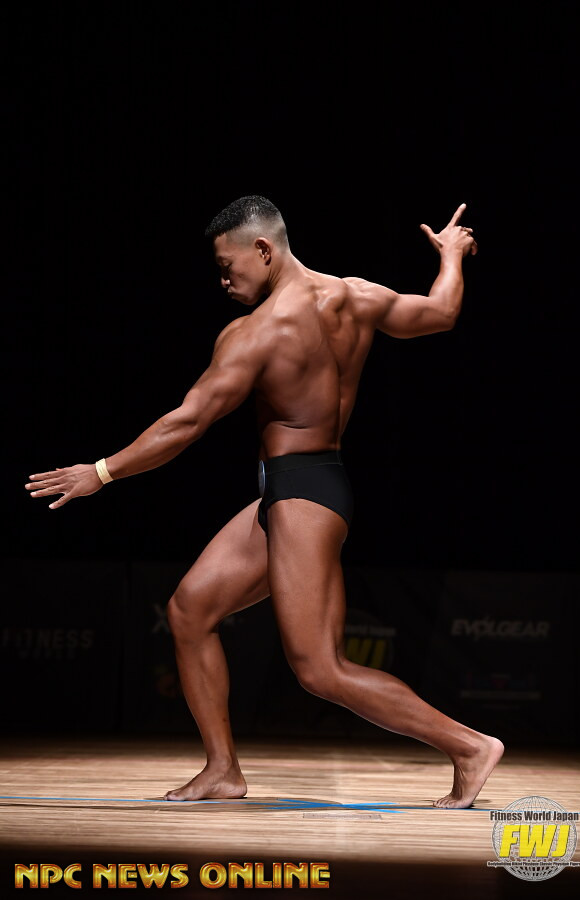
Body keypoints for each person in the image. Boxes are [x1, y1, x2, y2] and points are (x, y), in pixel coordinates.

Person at [25, 195, 503, 808]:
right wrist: (452, 256)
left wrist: (102, 471)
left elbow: (187, 422)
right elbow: (439, 313)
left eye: (228, 267)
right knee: (190, 610)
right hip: (299, 489)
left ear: (263, 249)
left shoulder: (257, 332)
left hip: (301, 494)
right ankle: (222, 769)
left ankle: (469, 746)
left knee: (321, 670)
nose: (223, 280)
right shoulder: (355, 295)